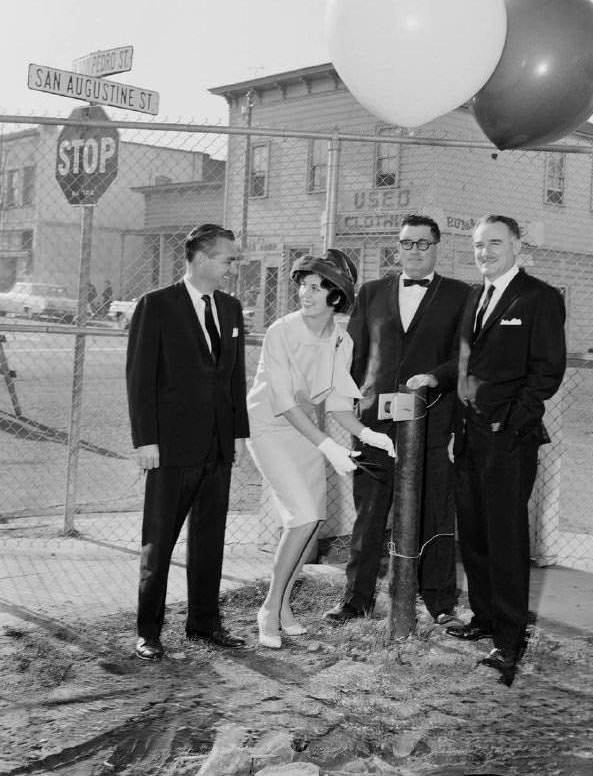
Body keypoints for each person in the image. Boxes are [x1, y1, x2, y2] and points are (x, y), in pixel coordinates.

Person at [418, 214, 566, 685]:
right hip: (467, 436)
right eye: (479, 245)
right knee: (476, 536)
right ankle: (484, 618)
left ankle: (509, 639)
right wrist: (434, 377)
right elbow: (466, 361)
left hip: (509, 439)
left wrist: (510, 420)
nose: (485, 252)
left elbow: (546, 372)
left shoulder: (538, 297)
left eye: (495, 244)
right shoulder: (474, 296)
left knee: (505, 540)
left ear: (517, 246)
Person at [323, 214, 471, 625]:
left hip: (431, 421)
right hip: (375, 424)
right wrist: (350, 408)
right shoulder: (371, 293)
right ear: (397, 247)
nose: (414, 251)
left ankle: (440, 603)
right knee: (369, 516)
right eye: (407, 243)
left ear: (437, 247)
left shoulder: (460, 295)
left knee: (433, 514)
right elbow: (354, 357)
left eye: (423, 243)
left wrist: (434, 378)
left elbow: (463, 357)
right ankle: (357, 600)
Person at [246, 249, 395, 649]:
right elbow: (284, 402)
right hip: (269, 428)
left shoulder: (340, 340)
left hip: (306, 432)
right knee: (305, 515)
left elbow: (337, 405)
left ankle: (283, 608)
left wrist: (368, 436)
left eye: (317, 287)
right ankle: (269, 608)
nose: (306, 294)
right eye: (304, 285)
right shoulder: (281, 331)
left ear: (336, 296)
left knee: (309, 522)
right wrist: (327, 445)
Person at [126, 223, 250, 661]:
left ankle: (203, 623)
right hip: (171, 448)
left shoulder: (231, 309)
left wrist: (238, 433)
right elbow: (140, 380)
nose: (232, 268)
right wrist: (146, 441)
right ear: (200, 258)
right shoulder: (156, 306)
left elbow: (234, 377)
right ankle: (149, 631)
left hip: (217, 446)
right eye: (227, 259)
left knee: (209, 539)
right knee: (158, 541)